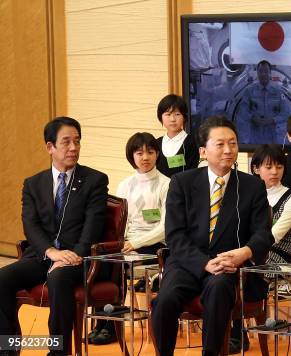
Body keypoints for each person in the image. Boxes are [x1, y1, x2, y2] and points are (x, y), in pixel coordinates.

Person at [150, 115, 273, 356]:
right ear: (204, 151)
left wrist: (244, 253)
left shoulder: (252, 186)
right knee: (164, 301)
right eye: (220, 144)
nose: (228, 150)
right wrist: (204, 263)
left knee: (218, 289)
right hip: (188, 263)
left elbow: (263, 234)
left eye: (233, 143)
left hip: (229, 264)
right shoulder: (182, 182)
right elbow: (174, 236)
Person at [0, 117, 108, 356]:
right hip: (42, 255)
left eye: (77, 142)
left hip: (79, 259)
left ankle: (57, 351)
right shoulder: (33, 184)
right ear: (50, 147)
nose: (73, 148)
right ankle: (8, 349)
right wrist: (51, 252)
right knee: (2, 278)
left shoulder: (95, 180)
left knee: (59, 278)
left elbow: (93, 227)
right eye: (66, 142)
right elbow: (31, 225)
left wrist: (71, 256)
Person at [88, 132, 170, 345]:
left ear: (157, 154)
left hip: (155, 246)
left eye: (150, 152)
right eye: (139, 152)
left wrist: (136, 243)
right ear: (131, 156)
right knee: (100, 261)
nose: (145, 157)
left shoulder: (166, 184)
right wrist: (120, 243)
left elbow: (166, 227)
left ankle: (112, 326)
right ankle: (102, 322)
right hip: (126, 243)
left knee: (116, 265)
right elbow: (120, 223)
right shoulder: (125, 185)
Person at [227, 144, 291, 354]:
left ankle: (236, 330)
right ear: (255, 169)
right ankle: (232, 326)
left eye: (279, 167)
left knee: (239, 267)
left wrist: (243, 251)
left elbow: (274, 235)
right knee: (225, 264)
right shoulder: (245, 194)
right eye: (268, 167)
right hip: (246, 253)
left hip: (276, 256)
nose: (275, 172)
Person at [239, 60, 289, 144]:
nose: (263, 74)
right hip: (255, 134)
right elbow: (243, 111)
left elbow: (286, 112)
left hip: (273, 134)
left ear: (270, 73)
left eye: (266, 71)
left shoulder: (278, 91)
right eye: (260, 71)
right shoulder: (249, 91)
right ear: (257, 73)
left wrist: (273, 120)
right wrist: (253, 118)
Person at [155, 94, 200, 177]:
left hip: (183, 189)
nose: (172, 119)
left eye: (177, 114)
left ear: (184, 117)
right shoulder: (156, 144)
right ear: (160, 117)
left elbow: (193, 174)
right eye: (168, 114)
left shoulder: (192, 143)